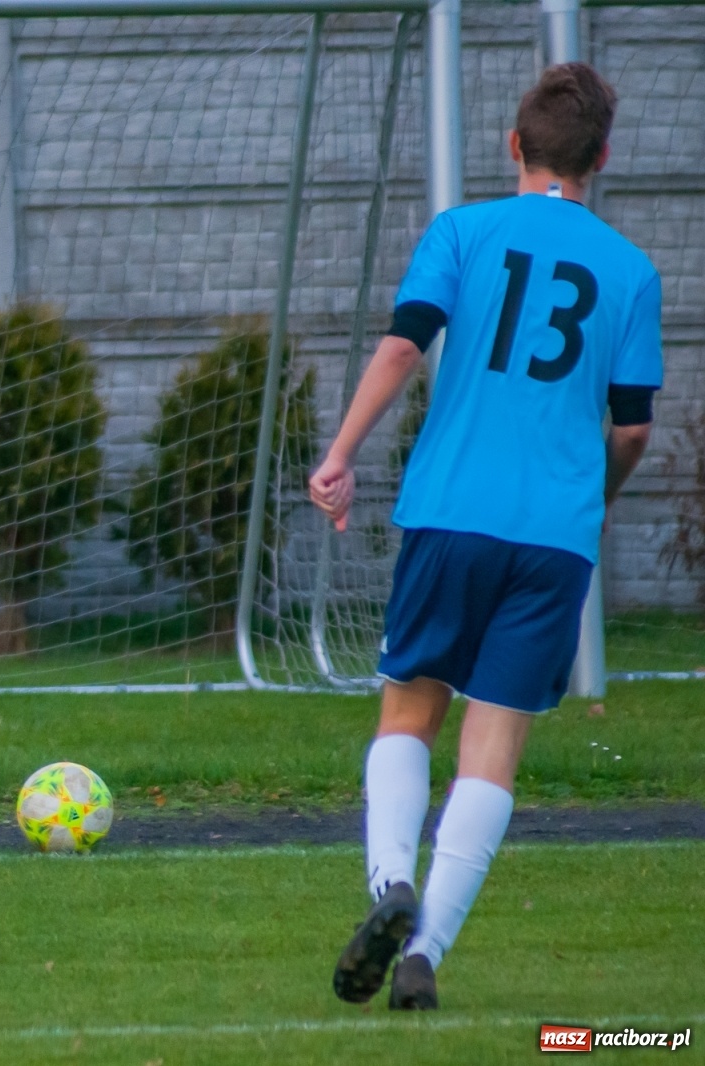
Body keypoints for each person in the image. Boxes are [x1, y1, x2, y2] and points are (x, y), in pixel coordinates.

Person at [311, 62, 660, 1010]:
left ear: (515, 145)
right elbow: (630, 427)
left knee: (408, 713)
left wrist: (340, 453)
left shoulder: (461, 232)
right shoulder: (631, 272)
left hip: (449, 514)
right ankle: (426, 951)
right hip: (552, 537)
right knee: (493, 744)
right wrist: (600, 495)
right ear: (603, 159)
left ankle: (391, 886)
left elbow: (402, 345)